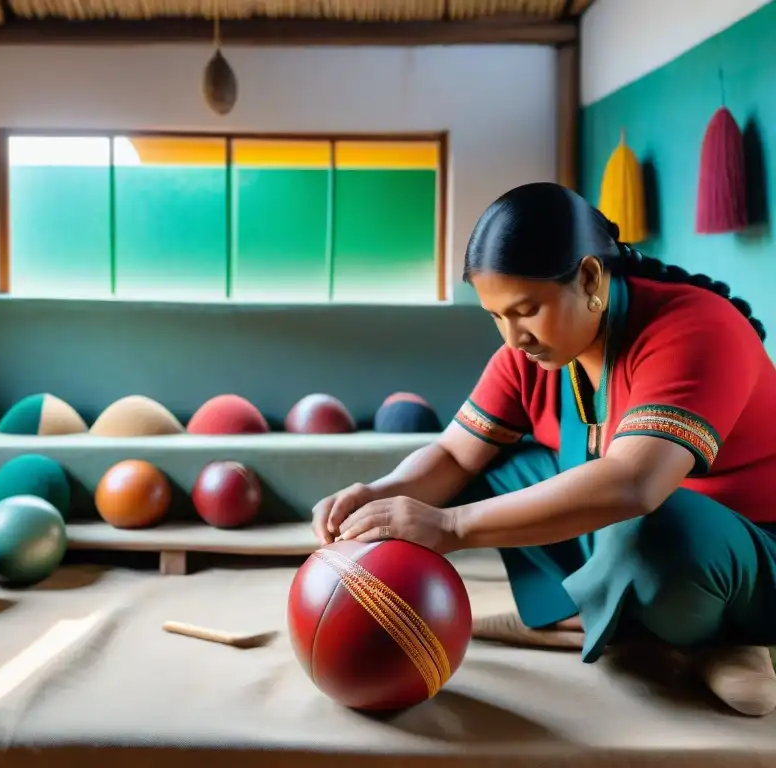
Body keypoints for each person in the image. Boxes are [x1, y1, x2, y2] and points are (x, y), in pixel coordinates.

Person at [312, 182, 776, 717]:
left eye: (526, 310)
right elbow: (456, 455)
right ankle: (602, 616)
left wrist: (451, 526)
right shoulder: (531, 354)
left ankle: (718, 636)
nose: (513, 338)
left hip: (736, 557)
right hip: (617, 537)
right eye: (496, 316)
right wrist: (377, 496)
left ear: (589, 278)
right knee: (497, 468)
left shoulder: (698, 327)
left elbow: (634, 484)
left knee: (653, 528)